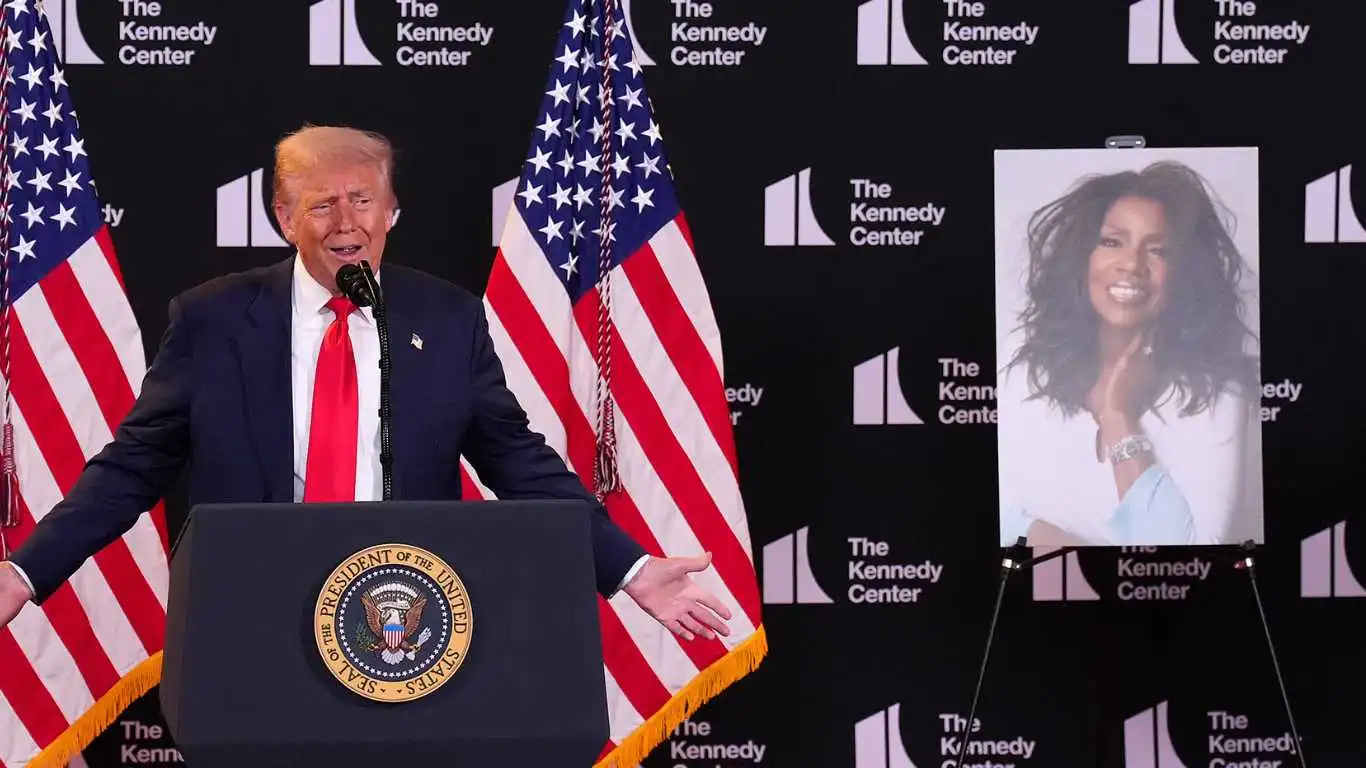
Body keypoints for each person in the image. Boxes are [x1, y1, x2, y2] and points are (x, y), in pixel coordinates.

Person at [0, 125, 732, 644]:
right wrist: (25, 572)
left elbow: (519, 462)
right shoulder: (212, 321)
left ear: (391, 213)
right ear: (285, 217)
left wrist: (630, 569)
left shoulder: (447, 319)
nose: (345, 222)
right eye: (321, 204)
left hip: (401, 620)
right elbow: (130, 469)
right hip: (251, 617)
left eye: (362, 200)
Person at [996, 159, 1261, 547]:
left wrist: (1118, 415)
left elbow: (1190, 557)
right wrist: (1064, 546)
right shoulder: (1024, 359)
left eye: (1158, 250)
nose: (1132, 265)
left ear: (1185, 271)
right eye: (1112, 242)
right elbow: (996, 515)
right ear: (1082, 257)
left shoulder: (1217, 391)